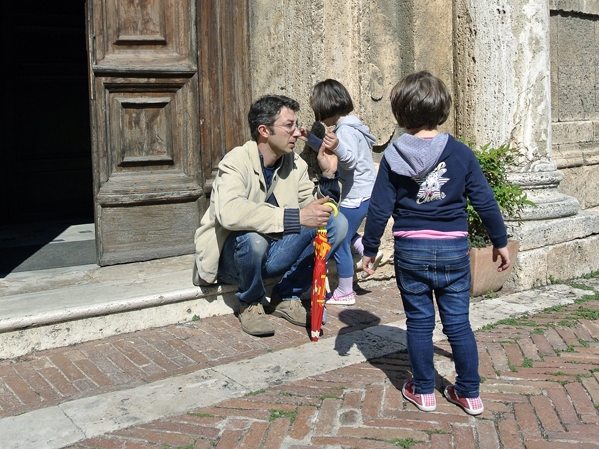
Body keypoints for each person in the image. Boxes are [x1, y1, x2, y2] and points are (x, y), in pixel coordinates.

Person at [361, 71, 511, 415]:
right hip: (453, 249)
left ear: (400, 112)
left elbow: (380, 207)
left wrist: (370, 249)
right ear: (442, 108)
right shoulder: (460, 153)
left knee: (419, 322)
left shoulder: (393, 157)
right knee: (458, 323)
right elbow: (485, 201)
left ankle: (424, 390)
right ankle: (470, 393)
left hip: (411, 249)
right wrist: (499, 241)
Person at [194, 95, 348, 337]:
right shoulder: (236, 161)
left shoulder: (295, 164)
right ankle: (250, 303)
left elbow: (314, 210)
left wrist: (328, 176)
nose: (297, 133)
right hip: (236, 259)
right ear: (264, 130)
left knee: (336, 223)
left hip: (276, 254)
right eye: (289, 126)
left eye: (296, 126)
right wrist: (294, 218)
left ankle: (287, 294)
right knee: (254, 238)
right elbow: (229, 213)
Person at [301, 79, 381, 306]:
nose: (317, 115)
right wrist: (310, 139)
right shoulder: (352, 126)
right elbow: (333, 148)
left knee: (339, 239)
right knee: (345, 230)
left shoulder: (345, 130)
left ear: (327, 106)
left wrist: (336, 145)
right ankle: (367, 248)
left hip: (356, 196)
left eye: (317, 108)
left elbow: (349, 158)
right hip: (365, 194)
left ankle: (345, 291)